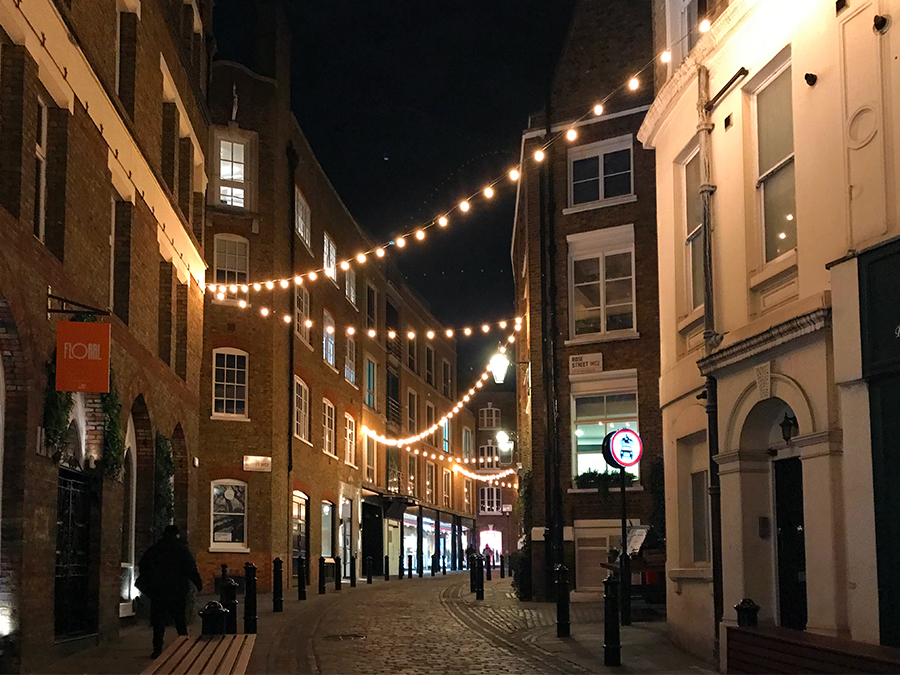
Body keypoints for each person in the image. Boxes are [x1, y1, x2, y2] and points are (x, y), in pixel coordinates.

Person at [137, 525, 203, 658]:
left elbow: (143, 565)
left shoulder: (156, 549)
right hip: (177, 590)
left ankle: (157, 649)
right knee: (180, 620)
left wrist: (152, 582)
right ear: (176, 534)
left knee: (158, 622)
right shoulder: (182, 549)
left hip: (159, 591)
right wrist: (198, 583)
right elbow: (191, 568)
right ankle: (184, 645)